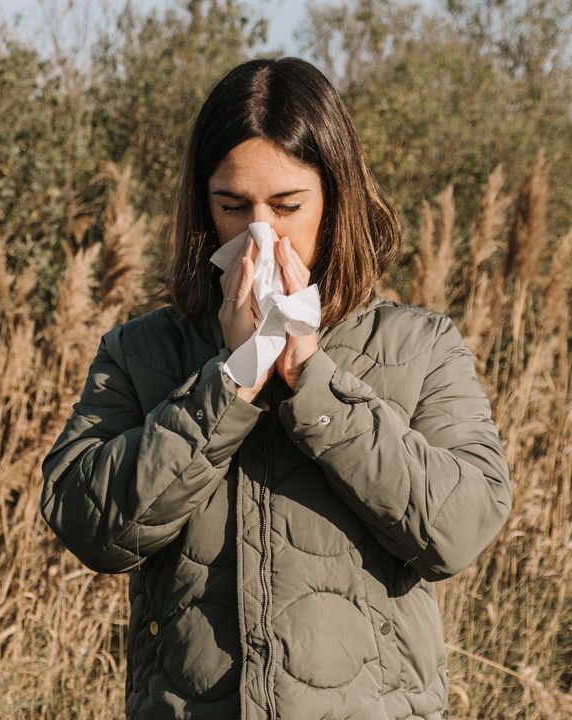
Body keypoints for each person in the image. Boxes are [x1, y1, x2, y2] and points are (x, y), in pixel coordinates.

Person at [41, 57, 510, 719]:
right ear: (204, 207)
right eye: (233, 207)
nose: (261, 234)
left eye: (288, 206)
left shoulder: (419, 345)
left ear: (335, 198)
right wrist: (227, 385)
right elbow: (89, 524)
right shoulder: (144, 351)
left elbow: (458, 530)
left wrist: (311, 384)